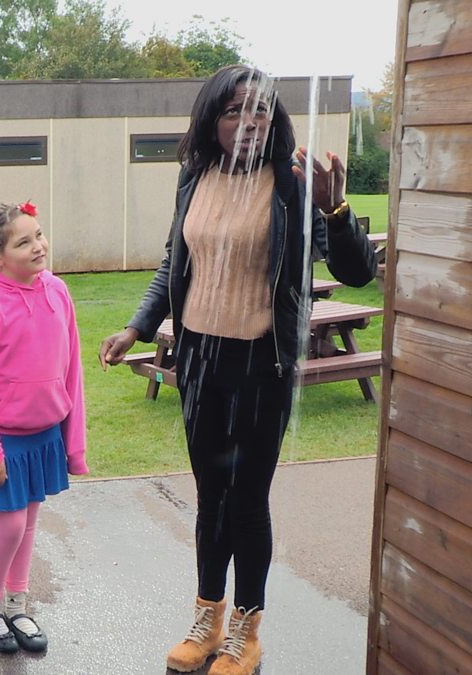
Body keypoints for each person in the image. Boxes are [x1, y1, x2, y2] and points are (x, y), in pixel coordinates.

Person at [98, 65, 376, 675]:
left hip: (261, 364)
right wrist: (137, 327)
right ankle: (208, 618)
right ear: (211, 120)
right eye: (233, 111)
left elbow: (357, 273)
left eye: (260, 110)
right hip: (200, 360)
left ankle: (246, 632)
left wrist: (336, 211)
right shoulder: (195, 176)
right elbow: (176, 260)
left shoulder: (291, 184)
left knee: (247, 499)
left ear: (274, 118)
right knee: (210, 498)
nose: (248, 122)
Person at [0, 201, 88, 655]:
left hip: (44, 437)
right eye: (24, 241)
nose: (38, 246)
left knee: (29, 524)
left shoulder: (58, 291)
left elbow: (71, 370)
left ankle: (17, 604)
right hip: (3, 442)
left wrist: (73, 444)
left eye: (39, 235)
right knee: (10, 526)